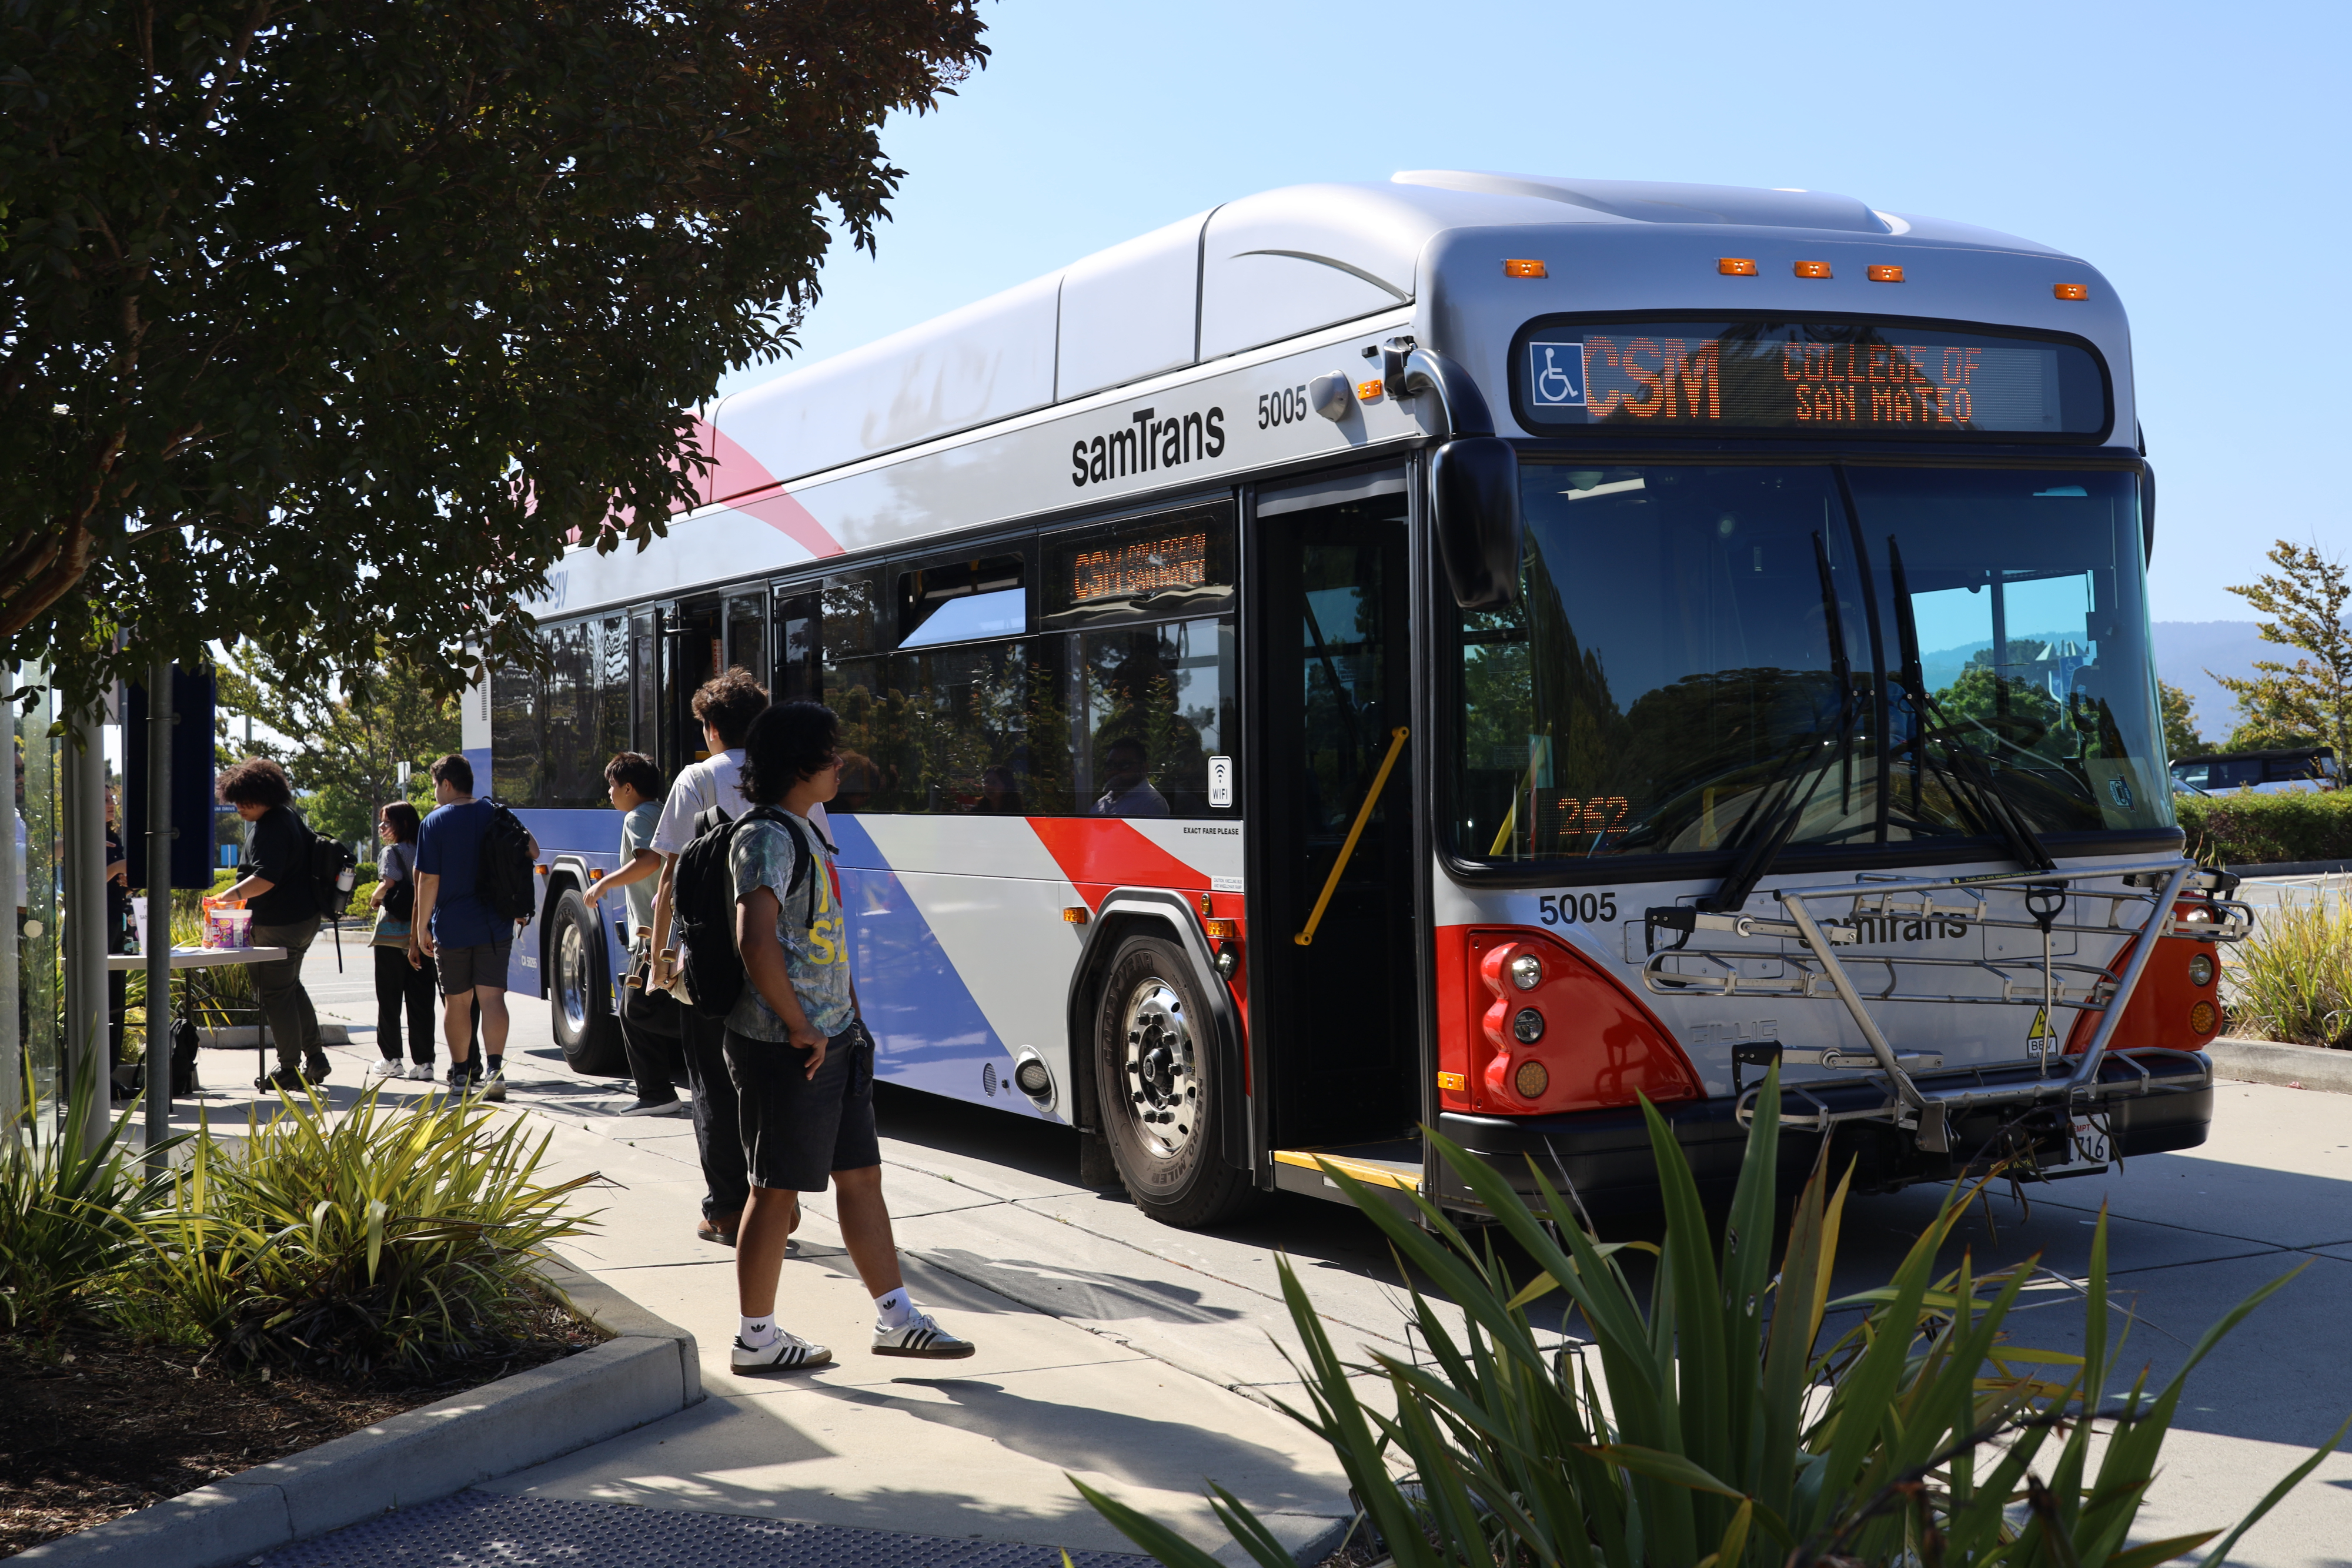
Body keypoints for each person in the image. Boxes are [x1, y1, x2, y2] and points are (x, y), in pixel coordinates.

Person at [726, 701, 971, 1371]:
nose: (842, 765)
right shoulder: (767, 837)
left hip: (831, 1038)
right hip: (786, 1045)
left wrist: (847, 1020)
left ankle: (896, 1318)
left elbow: (821, 939)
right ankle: (756, 1337)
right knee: (773, 1189)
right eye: (831, 755)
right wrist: (802, 1025)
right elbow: (756, 940)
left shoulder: (807, 828)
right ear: (800, 764)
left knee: (860, 1177)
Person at [647, 669, 770, 1245]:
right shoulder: (786, 776)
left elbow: (672, 875)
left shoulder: (696, 779)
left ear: (713, 729)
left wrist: (659, 956)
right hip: (774, 953)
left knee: (713, 1083)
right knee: (767, 1082)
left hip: (710, 958)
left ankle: (725, 1210)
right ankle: (777, 1205)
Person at [411, 753, 538, 1100]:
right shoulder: (495, 812)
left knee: (458, 1003)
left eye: (436, 785)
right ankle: (496, 1070)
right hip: (495, 925)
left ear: (447, 784)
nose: (435, 792)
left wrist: (421, 927)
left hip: (452, 927)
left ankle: (463, 1074)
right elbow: (534, 850)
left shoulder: (434, 823)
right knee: (493, 998)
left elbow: (429, 881)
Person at [217, 758, 329, 1089]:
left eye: (245, 800)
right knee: (291, 988)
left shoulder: (271, 828)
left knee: (275, 994)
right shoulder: (290, 819)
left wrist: (229, 896)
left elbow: (265, 878)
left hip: (278, 923)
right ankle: (316, 1058)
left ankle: (290, 1068)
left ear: (264, 795)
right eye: (235, 800)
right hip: (304, 920)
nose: (239, 807)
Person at [592, 751, 684, 1116]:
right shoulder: (665, 812)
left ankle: (657, 1093)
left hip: (652, 934)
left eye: (612, 787)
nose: (609, 794)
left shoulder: (636, 817)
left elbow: (648, 860)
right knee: (648, 1005)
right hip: (670, 931)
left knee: (633, 1008)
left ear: (629, 788)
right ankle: (659, 1090)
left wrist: (603, 886)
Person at [365, 802, 437, 1082]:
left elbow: (390, 882)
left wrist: (374, 896)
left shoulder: (391, 852)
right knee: (422, 1001)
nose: (382, 828)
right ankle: (425, 1063)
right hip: (423, 935)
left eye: (386, 822)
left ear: (402, 824)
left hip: (392, 940)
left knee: (390, 999)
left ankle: (392, 1059)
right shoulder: (428, 850)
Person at [102, 784, 131, 1095]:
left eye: (111, 799)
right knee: (97, 998)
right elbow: (82, 880)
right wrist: (116, 869)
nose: (110, 804)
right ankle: (91, 1074)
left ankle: (109, 1073)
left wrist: (129, 882)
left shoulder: (116, 838)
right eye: (104, 800)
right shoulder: (81, 836)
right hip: (93, 924)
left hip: (117, 920)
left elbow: (117, 885)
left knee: (116, 999)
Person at [1093, 737, 1170, 817]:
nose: (1115, 771)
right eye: (1110, 765)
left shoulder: (1152, 803)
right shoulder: (1102, 803)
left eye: (1124, 765)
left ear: (1144, 768)